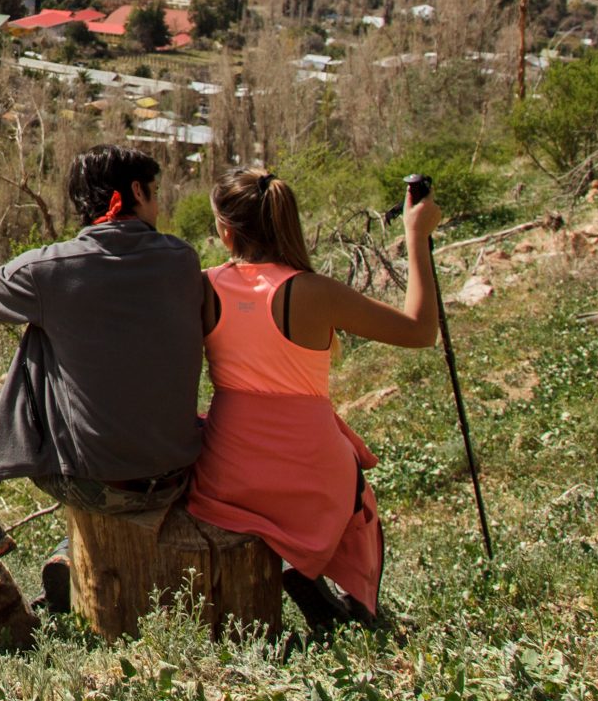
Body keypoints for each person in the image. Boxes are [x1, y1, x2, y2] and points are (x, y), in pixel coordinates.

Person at [0, 144, 206, 580]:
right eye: (154, 191)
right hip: (175, 478)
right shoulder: (183, 259)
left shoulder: (52, 268)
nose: (158, 203)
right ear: (134, 191)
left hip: (97, 486)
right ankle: (65, 545)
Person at [184, 168, 440, 629]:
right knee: (358, 502)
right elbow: (421, 331)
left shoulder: (202, 286)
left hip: (227, 476)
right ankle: (359, 604)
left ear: (226, 232)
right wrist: (415, 235)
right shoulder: (315, 292)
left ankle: (306, 575)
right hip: (312, 471)